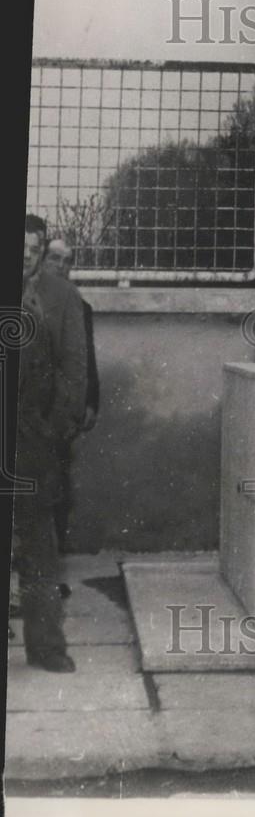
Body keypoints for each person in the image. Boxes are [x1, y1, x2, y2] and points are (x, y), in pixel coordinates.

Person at [13, 220, 85, 671]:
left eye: (33, 248)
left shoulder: (60, 298)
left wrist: (53, 428)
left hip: (33, 442)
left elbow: (74, 370)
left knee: (40, 548)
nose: (24, 255)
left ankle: (46, 648)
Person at [43, 237, 100, 554]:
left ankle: (51, 566)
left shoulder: (81, 307)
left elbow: (86, 358)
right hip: (30, 412)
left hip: (62, 414)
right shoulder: (29, 300)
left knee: (59, 489)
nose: (61, 267)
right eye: (54, 259)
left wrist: (91, 402)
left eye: (67, 261)